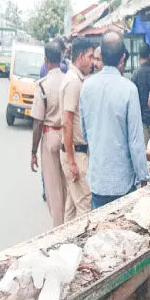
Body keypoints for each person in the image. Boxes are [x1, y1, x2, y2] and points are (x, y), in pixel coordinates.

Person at [80, 31, 149, 209]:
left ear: (100, 55)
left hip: (97, 180)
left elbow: (85, 132)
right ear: (123, 57)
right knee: (124, 235)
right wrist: (143, 177)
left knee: (100, 233)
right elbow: (135, 142)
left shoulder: (86, 87)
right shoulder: (129, 89)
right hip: (123, 183)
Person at [30, 41, 67, 227]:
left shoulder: (43, 86)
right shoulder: (68, 80)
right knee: (66, 185)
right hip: (67, 137)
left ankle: (58, 229)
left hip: (50, 136)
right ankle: (69, 225)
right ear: (60, 58)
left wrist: (33, 152)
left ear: (46, 61)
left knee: (53, 189)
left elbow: (37, 122)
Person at [60, 37, 95, 221]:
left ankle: (63, 244)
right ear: (81, 56)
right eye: (90, 56)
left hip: (74, 152)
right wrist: (72, 161)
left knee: (72, 207)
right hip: (76, 152)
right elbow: (67, 121)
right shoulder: (74, 81)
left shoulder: (76, 79)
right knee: (85, 207)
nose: (92, 61)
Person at [131, 43, 150, 145]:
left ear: (139, 56)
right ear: (149, 55)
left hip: (142, 119)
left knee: (146, 152)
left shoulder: (136, 74)